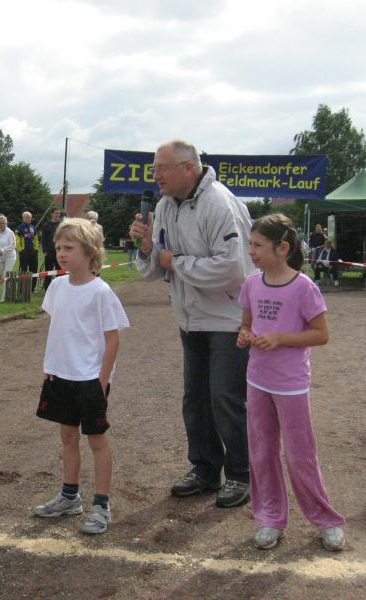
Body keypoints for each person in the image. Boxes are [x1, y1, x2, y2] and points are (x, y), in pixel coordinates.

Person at [129, 140, 254, 508]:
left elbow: (233, 269)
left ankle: (241, 474)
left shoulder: (219, 203)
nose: (155, 176)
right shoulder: (165, 206)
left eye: (162, 168)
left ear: (188, 168)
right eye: (154, 169)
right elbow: (154, 270)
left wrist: (175, 261)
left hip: (228, 320)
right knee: (195, 399)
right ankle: (205, 468)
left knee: (226, 398)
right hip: (190, 319)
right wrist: (147, 248)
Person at [237, 213, 346, 552]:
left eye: (258, 245)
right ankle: (270, 518)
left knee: (300, 456)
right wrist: (245, 335)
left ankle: (325, 519)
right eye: (250, 244)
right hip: (258, 380)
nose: (251, 251)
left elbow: (321, 334)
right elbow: (246, 325)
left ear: (282, 248)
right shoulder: (251, 284)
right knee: (262, 452)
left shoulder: (304, 287)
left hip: (291, 385)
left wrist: (281, 338)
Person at [32, 218, 129, 534]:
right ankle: (69, 496)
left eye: (69, 248)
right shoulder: (57, 286)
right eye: (59, 247)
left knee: (96, 440)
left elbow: (112, 338)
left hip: (90, 379)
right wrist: (51, 366)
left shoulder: (101, 292)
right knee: (67, 436)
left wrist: (102, 381)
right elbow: (60, 327)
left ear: (90, 252)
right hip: (61, 375)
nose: (61, 253)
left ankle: (101, 504)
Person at [0, 214, 17, 302]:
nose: (2, 225)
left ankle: (4, 297)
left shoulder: (10, 232)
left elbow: (13, 245)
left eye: (4, 223)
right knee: (3, 277)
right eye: (0, 223)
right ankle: (8, 294)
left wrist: (4, 250)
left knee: (6, 275)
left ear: (6, 223)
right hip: (0, 258)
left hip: (10, 256)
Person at [39, 207, 62, 291]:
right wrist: (45, 251)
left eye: (58, 213)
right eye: (56, 213)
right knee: (48, 270)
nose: (57, 215)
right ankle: (47, 288)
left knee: (60, 270)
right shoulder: (46, 225)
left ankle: (59, 288)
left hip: (60, 251)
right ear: (52, 214)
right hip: (49, 252)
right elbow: (43, 239)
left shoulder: (62, 225)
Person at [16, 211, 39, 293]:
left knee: (34, 270)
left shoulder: (33, 227)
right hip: (24, 252)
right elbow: (17, 240)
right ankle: (22, 288)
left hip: (33, 252)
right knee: (23, 270)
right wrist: (20, 250)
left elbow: (36, 239)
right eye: (26, 217)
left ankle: (32, 288)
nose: (28, 219)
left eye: (29, 217)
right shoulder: (19, 228)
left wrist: (36, 249)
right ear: (23, 218)